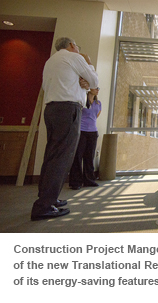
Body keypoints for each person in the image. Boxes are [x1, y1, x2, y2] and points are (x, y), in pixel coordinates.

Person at [31, 37, 99, 221]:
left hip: (52, 109)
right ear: (71, 45)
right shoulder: (74, 57)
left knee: (52, 155)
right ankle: (44, 205)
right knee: (62, 158)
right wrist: (89, 64)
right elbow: (94, 80)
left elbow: (51, 86)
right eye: (77, 45)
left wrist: (82, 84)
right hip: (68, 110)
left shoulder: (51, 61)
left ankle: (47, 198)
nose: (78, 48)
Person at [69, 87, 102, 190]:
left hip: (93, 133)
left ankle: (89, 180)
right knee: (78, 156)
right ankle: (76, 182)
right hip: (81, 132)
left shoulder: (98, 103)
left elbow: (95, 116)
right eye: (95, 88)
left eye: (98, 88)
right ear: (89, 89)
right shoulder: (82, 101)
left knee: (89, 157)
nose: (97, 90)